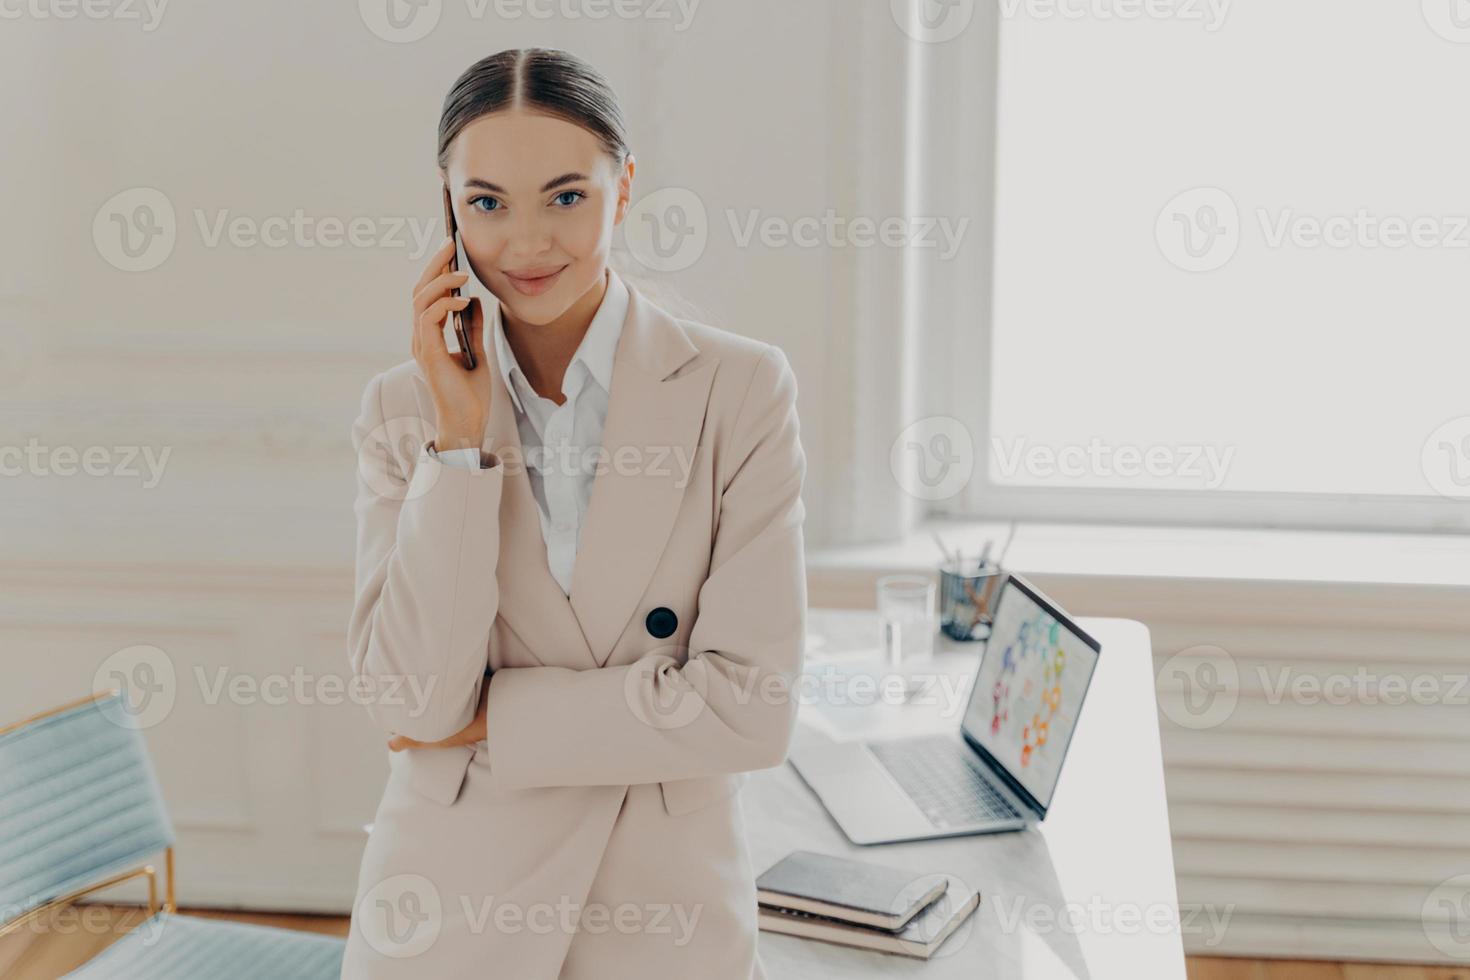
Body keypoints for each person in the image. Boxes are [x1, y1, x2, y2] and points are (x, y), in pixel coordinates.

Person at [341, 47, 808, 979]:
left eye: (565, 198)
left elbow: (754, 708)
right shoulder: (406, 408)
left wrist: (494, 723)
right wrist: (460, 441)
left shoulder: (739, 388)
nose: (525, 244)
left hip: (663, 910)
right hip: (446, 910)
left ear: (624, 188)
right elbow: (414, 702)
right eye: (486, 203)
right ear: (447, 206)